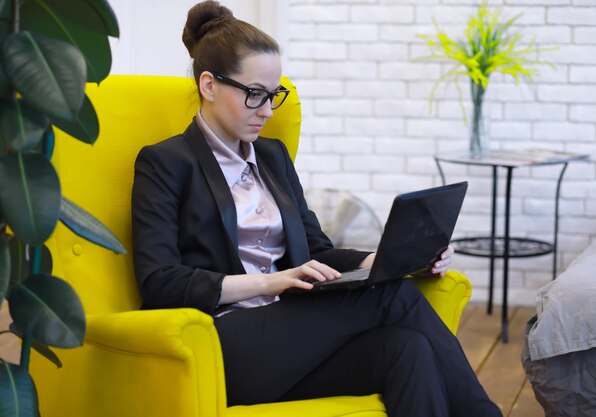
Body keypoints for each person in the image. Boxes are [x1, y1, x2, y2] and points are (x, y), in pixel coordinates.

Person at [131, 1, 502, 416]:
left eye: (273, 96)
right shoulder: (166, 162)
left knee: (406, 349)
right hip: (225, 341)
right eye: (254, 95)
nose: (268, 112)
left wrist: (383, 259)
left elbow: (315, 251)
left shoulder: (271, 157)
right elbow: (159, 281)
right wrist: (271, 283)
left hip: (291, 336)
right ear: (209, 85)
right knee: (392, 296)